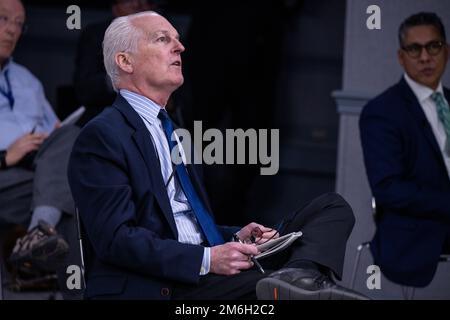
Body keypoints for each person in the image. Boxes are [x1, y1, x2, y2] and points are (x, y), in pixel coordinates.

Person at [68, 11, 366, 300]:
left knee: (330, 208)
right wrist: (208, 259)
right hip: (163, 285)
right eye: (162, 39)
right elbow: (117, 241)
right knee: (262, 289)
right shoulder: (102, 136)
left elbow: (188, 226)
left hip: (206, 274)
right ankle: (292, 287)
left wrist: (236, 236)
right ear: (125, 61)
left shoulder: (177, 133)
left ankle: (296, 279)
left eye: (177, 38)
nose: (180, 46)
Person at [360, 12, 450, 288]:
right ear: (401, 57)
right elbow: (388, 189)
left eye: (433, 46)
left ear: (446, 51)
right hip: (417, 230)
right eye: (414, 49)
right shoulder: (382, 112)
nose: (425, 57)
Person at [0, 0, 81, 296]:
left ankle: (37, 237)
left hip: (38, 171)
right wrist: (5, 157)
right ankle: (40, 242)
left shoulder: (27, 81)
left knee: (71, 134)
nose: (12, 30)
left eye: (19, 23)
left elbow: (56, 127)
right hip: (5, 173)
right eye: (3, 19)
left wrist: (54, 137)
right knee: (71, 200)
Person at [73, 0, 155, 126]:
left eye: (144, 2)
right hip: (108, 116)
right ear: (115, 8)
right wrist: (120, 77)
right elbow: (85, 89)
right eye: (130, 1)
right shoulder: (97, 35)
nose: (137, 6)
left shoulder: (163, 37)